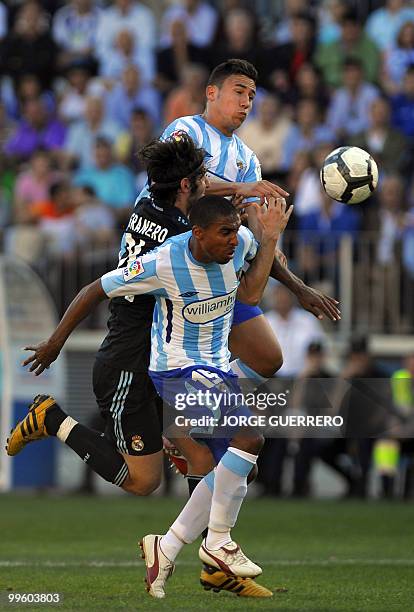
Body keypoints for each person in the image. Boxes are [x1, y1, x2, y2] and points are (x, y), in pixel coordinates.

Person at [8, 135, 273, 598]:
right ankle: (52, 419)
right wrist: (55, 342)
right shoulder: (178, 243)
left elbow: (229, 234)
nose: (213, 186)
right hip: (131, 362)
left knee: (216, 459)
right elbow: (98, 287)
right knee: (144, 480)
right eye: (204, 181)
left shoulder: (145, 203)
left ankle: (205, 557)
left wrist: (242, 202)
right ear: (187, 186)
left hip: (161, 358)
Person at [137, 59, 341, 389]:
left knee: (269, 359)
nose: (246, 102)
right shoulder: (186, 130)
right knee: (142, 382)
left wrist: (293, 280)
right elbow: (170, 180)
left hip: (213, 275)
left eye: (252, 96)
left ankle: (209, 386)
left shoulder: (247, 159)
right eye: (239, 92)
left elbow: (253, 227)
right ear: (212, 93)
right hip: (163, 261)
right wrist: (238, 188)